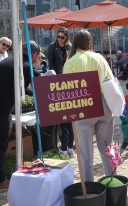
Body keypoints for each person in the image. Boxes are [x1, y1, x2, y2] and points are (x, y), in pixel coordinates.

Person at [63, 29, 115, 181]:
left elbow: (66, 88)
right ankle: (113, 182)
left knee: (86, 154)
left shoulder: (70, 61)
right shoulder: (99, 57)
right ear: (89, 43)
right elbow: (110, 81)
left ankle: (90, 188)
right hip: (104, 104)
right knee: (107, 147)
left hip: (83, 106)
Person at [0, 40, 41, 189]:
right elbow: (33, 88)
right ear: (34, 54)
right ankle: (1, 181)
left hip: (3, 107)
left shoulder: (11, 60)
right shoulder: (25, 66)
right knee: (2, 143)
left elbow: (24, 89)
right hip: (2, 109)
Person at [47, 27, 74, 159]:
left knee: (72, 118)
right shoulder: (52, 47)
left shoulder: (70, 47)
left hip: (71, 84)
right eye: (58, 36)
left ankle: (70, 146)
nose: (59, 39)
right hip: (59, 84)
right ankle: (63, 147)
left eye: (62, 37)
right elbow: (51, 66)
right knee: (63, 118)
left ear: (66, 37)